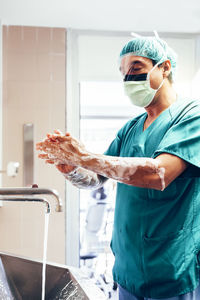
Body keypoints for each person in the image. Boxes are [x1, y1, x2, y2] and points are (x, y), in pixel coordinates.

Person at [36, 35, 200, 300]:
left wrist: (85, 156)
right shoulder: (131, 128)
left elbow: (159, 173)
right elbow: (98, 177)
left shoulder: (191, 116)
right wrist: (73, 168)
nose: (129, 80)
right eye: (124, 74)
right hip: (128, 270)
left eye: (136, 69)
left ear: (165, 67)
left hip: (172, 269)